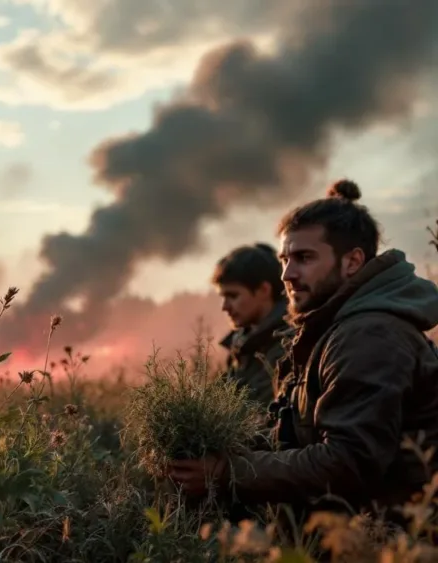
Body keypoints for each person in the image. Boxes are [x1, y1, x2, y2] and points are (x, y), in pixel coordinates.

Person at [169, 179, 438, 529]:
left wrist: (225, 472)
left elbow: (348, 463)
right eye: (284, 259)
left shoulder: (370, 335)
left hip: (392, 539)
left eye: (304, 258)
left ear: (353, 261)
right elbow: (298, 434)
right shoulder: (331, 330)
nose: (287, 274)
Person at [212, 243, 289, 409]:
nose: (225, 307)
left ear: (264, 290)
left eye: (233, 295)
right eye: (223, 296)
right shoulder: (241, 345)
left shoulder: (287, 345)